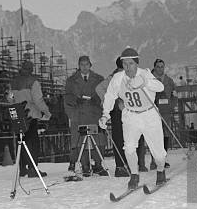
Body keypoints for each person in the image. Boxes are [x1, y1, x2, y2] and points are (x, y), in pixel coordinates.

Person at [99, 48, 167, 189]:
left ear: (137, 63)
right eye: (124, 64)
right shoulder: (118, 78)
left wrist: (144, 83)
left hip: (149, 115)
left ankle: (160, 171)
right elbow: (110, 95)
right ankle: (134, 175)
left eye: (131, 63)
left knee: (158, 153)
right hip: (131, 115)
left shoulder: (145, 74)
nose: (127, 67)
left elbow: (160, 87)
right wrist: (105, 114)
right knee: (129, 148)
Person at [64, 56, 106, 176]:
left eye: (86, 64)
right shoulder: (71, 81)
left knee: (99, 140)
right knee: (80, 142)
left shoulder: (99, 79)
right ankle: (85, 165)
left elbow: (105, 95)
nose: (84, 67)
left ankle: (98, 164)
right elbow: (67, 97)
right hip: (79, 115)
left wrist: (97, 101)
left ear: (90, 65)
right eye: (82, 64)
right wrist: (75, 102)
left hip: (95, 114)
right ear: (78, 65)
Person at [9, 60, 51, 177]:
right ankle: (32, 168)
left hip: (18, 114)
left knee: (21, 141)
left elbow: (9, 98)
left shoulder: (13, 82)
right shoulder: (33, 82)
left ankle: (22, 169)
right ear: (31, 70)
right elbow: (38, 100)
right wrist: (46, 112)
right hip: (30, 115)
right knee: (32, 142)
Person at [150, 58, 176, 169]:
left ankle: (162, 159)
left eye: (162, 67)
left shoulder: (169, 81)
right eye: (158, 67)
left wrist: (171, 106)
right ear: (154, 67)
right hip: (152, 112)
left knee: (165, 135)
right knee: (154, 136)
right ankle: (153, 160)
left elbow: (175, 95)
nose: (160, 69)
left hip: (166, 112)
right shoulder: (149, 79)